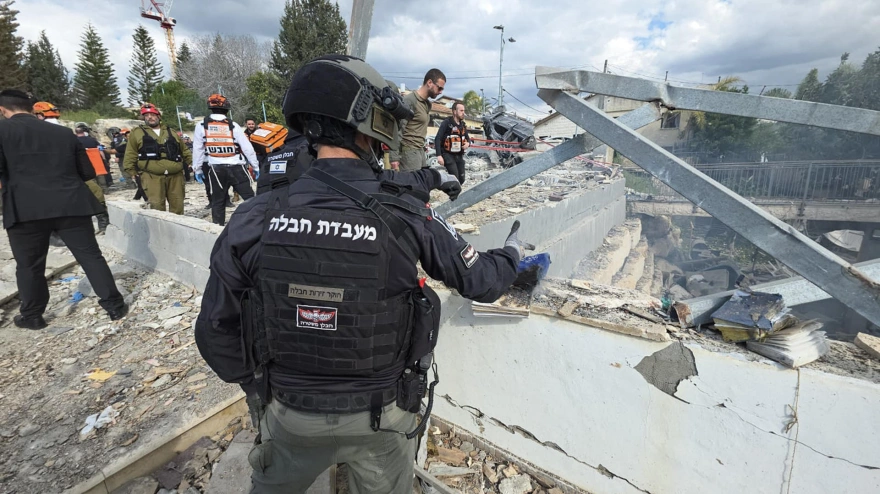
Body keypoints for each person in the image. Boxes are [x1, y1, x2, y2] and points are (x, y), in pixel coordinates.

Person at [194, 56, 526, 493]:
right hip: (380, 415)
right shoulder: (405, 213)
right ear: (371, 125)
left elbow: (215, 328)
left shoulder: (255, 216)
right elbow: (482, 281)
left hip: (290, 414)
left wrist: (258, 392)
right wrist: (513, 253)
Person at [0, 89, 128, 329]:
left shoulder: (3, 130)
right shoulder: (64, 133)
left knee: (29, 265)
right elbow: (87, 172)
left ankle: (33, 316)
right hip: (71, 204)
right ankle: (114, 306)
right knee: (90, 256)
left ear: (2, 109)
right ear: (31, 108)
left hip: (25, 208)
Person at [192, 94, 259, 226]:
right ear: (227, 108)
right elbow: (247, 148)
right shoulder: (233, 125)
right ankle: (256, 225)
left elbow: (198, 149)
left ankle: (217, 228)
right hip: (237, 167)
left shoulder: (202, 125)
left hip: (216, 169)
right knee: (250, 199)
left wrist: (197, 169)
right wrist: (255, 166)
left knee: (218, 202)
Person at [123, 103, 192, 214]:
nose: (150, 117)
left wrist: (192, 163)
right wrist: (131, 171)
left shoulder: (171, 132)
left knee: (178, 205)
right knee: (156, 207)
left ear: (158, 116)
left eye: (152, 115)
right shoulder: (137, 133)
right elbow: (131, 153)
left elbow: (184, 150)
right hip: (151, 176)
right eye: (146, 115)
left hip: (175, 175)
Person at [390, 68, 446, 172]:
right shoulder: (410, 100)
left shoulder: (427, 104)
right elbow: (397, 129)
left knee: (423, 180)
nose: (441, 92)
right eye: (439, 88)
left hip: (420, 152)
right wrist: (394, 157)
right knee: (413, 182)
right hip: (409, 153)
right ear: (429, 83)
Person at [73, 123, 112, 233]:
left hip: (83, 172)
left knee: (94, 192)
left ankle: (102, 225)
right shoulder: (92, 140)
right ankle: (103, 225)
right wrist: (104, 160)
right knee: (99, 191)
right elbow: (101, 150)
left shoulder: (74, 141)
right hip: (95, 167)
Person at [434, 102, 471, 184]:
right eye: (461, 110)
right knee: (455, 179)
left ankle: (451, 188)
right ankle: (451, 190)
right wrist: (439, 155)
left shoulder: (462, 125)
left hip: (459, 155)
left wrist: (468, 144)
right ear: (454, 111)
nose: (463, 113)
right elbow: (438, 139)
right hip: (448, 155)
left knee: (461, 179)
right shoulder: (446, 123)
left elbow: (468, 139)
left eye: (464, 111)